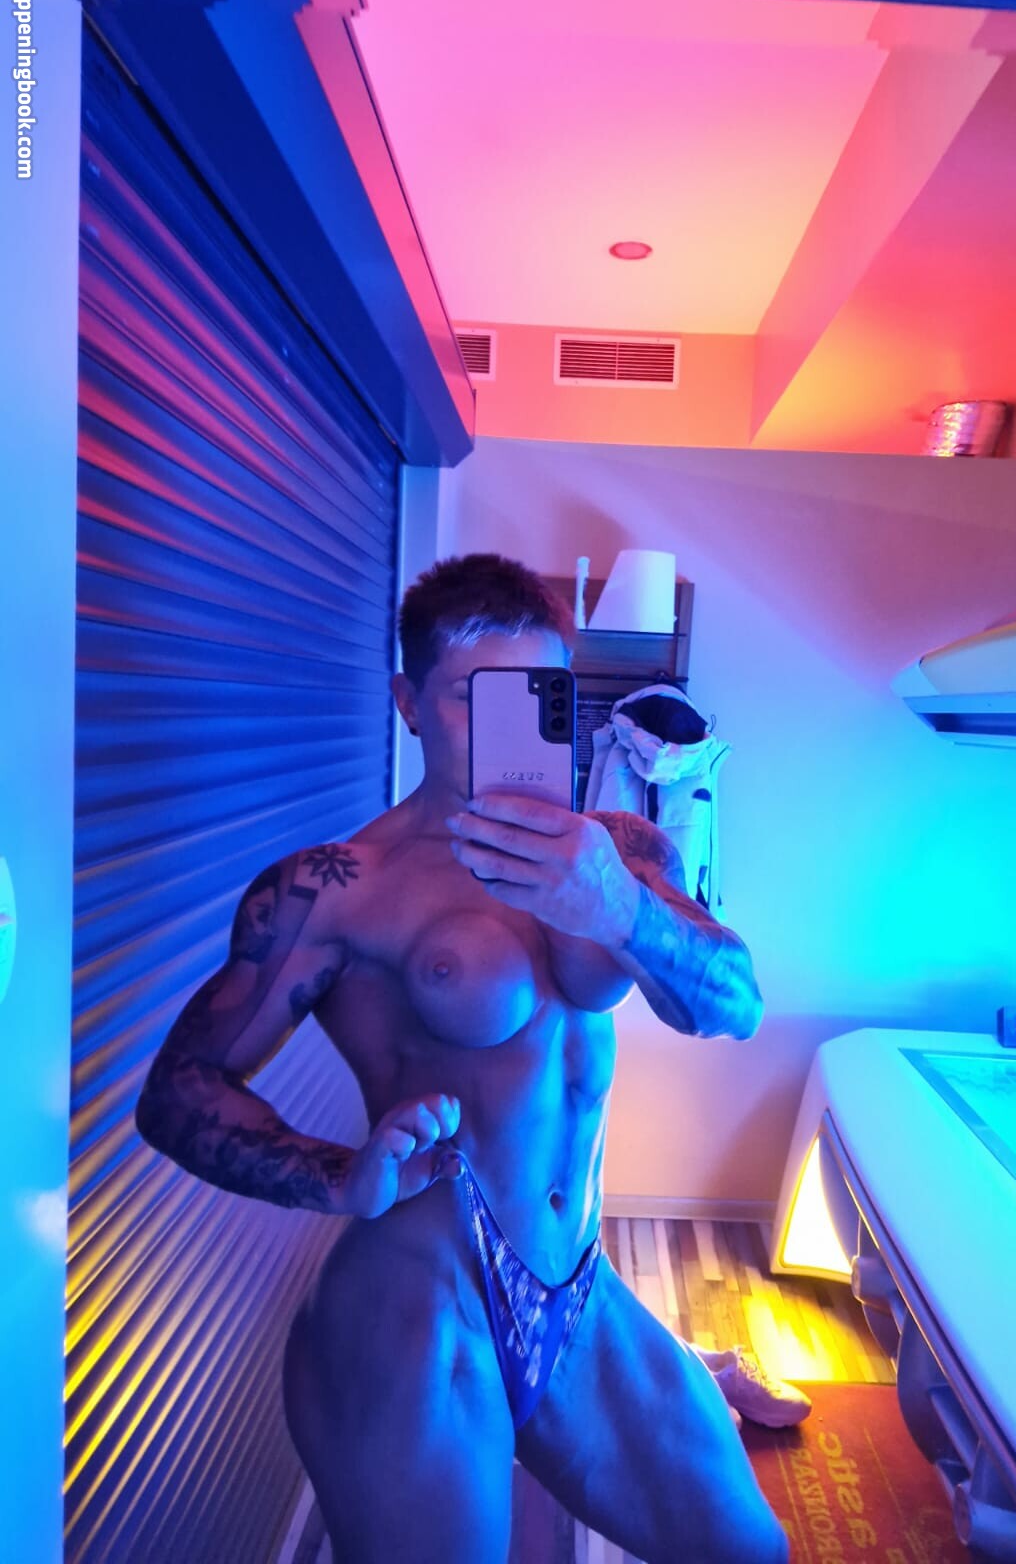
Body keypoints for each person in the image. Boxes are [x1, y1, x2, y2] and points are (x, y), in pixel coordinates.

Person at [134, 553, 790, 1564]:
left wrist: (617, 909)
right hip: (414, 1311)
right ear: (407, 703)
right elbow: (177, 1092)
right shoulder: (339, 889)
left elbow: (734, 1004)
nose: (505, 729)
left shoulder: (614, 852)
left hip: (577, 1291)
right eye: (471, 698)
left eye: (538, 697)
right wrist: (336, 1175)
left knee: (748, 1549)